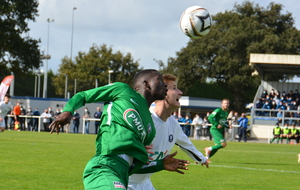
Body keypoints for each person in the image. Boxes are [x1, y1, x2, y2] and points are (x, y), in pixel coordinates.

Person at [49, 69, 189, 189]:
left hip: (122, 176)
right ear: (146, 84)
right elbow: (84, 95)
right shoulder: (122, 90)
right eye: (159, 80)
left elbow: (133, 167)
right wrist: (68, 111)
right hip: (104, 168)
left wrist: (160, 164)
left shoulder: (150, 129)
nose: (165, 84)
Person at [128, 74, 208, 190]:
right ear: (162, 92)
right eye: (174, 88)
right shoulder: (142, 119)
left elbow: (186, 143)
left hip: (144, 183)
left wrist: (202, 159)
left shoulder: (173, 123)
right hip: (123, 181)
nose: (180, 92)